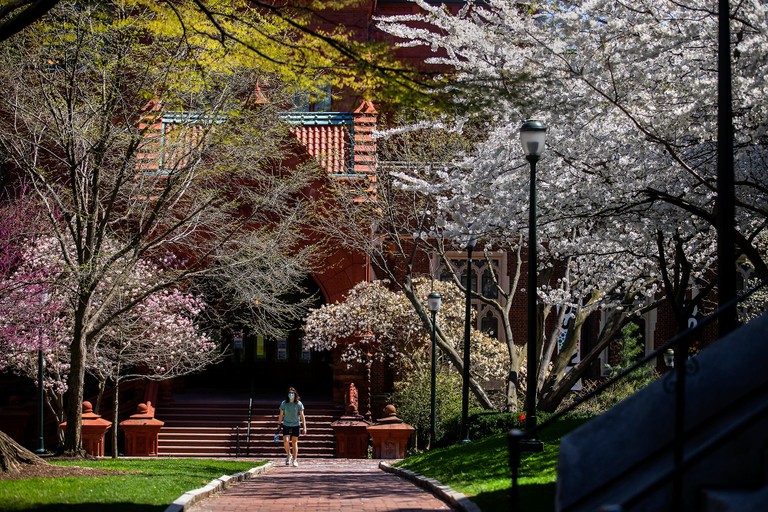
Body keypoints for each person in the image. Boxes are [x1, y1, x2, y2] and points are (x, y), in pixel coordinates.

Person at [277, 386, 306, 467]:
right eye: (290, 393)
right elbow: (281, 415)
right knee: (286, 441)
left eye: (292, 393)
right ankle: (289, 454)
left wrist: (304, 427)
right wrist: (279, 425)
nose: (291, 395)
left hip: (296, 425)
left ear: (295, 394)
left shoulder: (299, 403)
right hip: (286, 424)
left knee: (294, 442)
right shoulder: (284, 403)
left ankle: (295, 459)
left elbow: (302, 416)